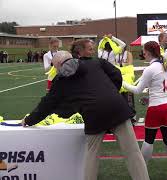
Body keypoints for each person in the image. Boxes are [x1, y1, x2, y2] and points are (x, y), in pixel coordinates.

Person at [22, 41, 149, 180]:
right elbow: (117, 75)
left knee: (92, 155)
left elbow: (47, 105)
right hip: (117, 107)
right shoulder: (97, 62)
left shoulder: (60, 79)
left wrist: (29, 120)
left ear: (58, 65)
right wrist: (111, 92)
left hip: (93, 114)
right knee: (133, 152)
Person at [122, 41, 167, 180]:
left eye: (143, 50)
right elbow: (157, 86)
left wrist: (121, 82)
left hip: (157, 107)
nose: (143, 53)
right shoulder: (164, 65)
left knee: (149, 140)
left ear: (148, 52)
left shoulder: (151, 68)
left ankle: (141, 171)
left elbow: (137, 90)